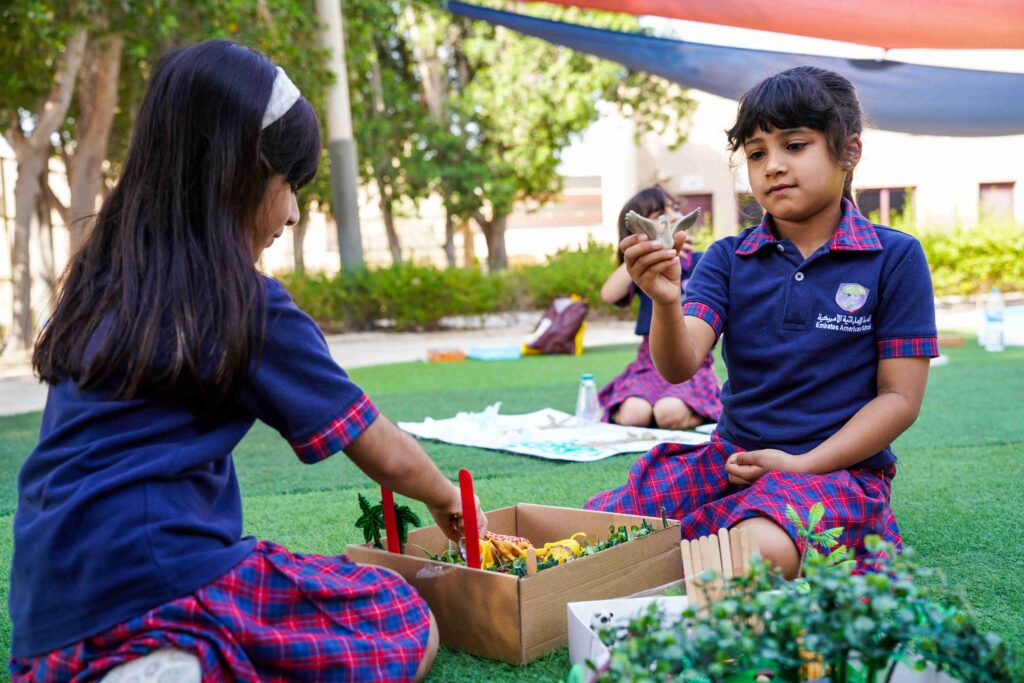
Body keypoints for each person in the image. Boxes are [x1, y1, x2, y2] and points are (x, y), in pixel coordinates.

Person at [8, 40, 486, 682]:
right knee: (401, 614)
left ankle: (155, 660)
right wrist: (446, 498)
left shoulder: (98, 284)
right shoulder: (245, 302)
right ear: (237, 174)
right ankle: (176, 658)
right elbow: (381, 449)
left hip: (48, 621)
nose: (292, 214)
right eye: (290, 185)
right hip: (167, 577)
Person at [585, 66, 938, 576]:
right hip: (731, 461)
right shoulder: (729, 257)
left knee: (750, 553)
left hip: (836, 472)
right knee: (599, 530)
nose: (772, 166)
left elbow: (899, 399)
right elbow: (680, 365)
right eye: (755, 153)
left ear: (849, 151)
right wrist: (664, 301)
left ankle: (715, 554)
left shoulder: (894, 257)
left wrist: (802, 465)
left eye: (794, 145)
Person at [597, 187, 722, 430]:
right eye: (657, 215)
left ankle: (707, 408)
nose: (672, 216)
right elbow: (609, 294)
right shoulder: (644, 269)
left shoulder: (700, 262)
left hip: (691, 361)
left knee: (668, 413)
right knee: (633, 415)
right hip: (649, 362)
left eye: (674, 209)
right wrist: (642, 254)